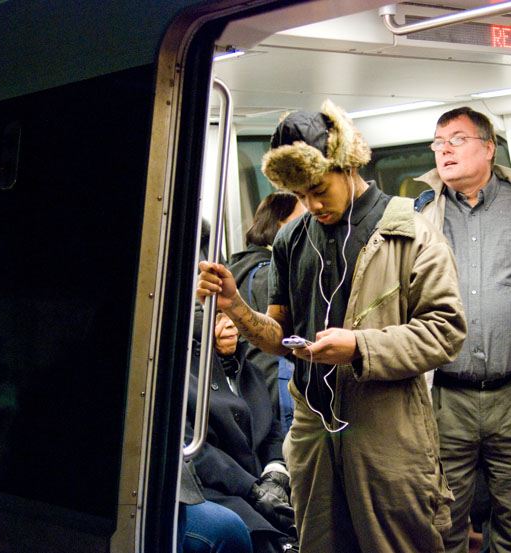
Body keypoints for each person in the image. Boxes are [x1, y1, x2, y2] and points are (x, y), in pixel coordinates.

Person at [196, 99, 467, 553]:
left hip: (386, 431)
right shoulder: (291, 238)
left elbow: (445, 331)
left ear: (348, 164)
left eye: (320, 188)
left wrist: (360, 346)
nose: (312, 203)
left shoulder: (410, 232)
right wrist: (237, 306)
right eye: (300, 195)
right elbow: (280, 338)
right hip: (313, 433)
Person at [413, 106, 511, 553]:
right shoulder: (419, 214)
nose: (443, 149)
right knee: (439, 529)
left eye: (456, 139)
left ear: (488, 147)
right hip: (443, 400)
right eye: (437, 142)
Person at [186, 312, 297, 553]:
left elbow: (272, 432)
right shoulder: (180, 374)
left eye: (232, 317)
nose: (230, 327)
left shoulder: (252, 372)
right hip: (210, 490)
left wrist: (275, 474)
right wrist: (252, 489)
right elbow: (193, 450)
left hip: (261, 490)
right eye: (217, 318)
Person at [227, 193, 305, 435]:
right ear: (281, 226)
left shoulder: (238, 268)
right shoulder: (272, 273)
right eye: (302, 221)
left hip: (249, 384)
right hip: (279, 384)